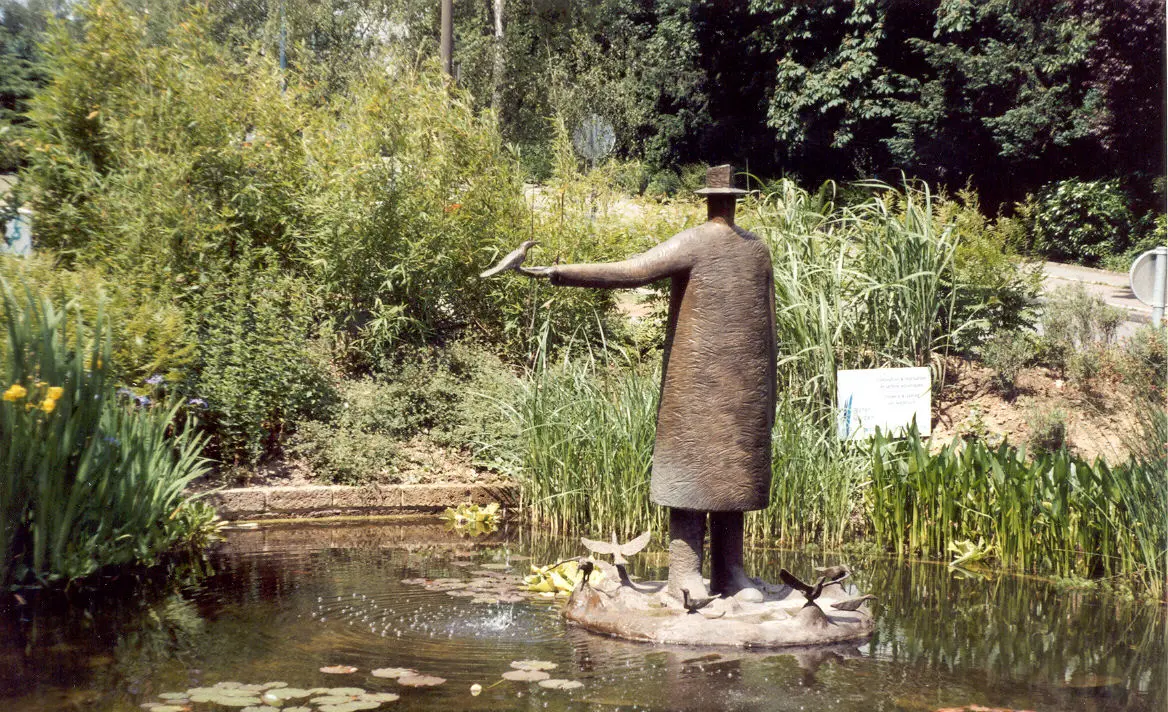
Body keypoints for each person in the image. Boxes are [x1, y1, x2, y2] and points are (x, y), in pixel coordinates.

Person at [520, 164, 776, 602]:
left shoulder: (756, 251)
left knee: (734, 476)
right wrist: (558, 272)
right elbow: (632, 270)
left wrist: (769, 385)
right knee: (693, 471)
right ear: (722, 201)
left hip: (743, 383)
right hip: (696, 380)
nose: (724, 205)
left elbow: (770, 322)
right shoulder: (698, 242)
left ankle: (731, 572)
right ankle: (684, 576)